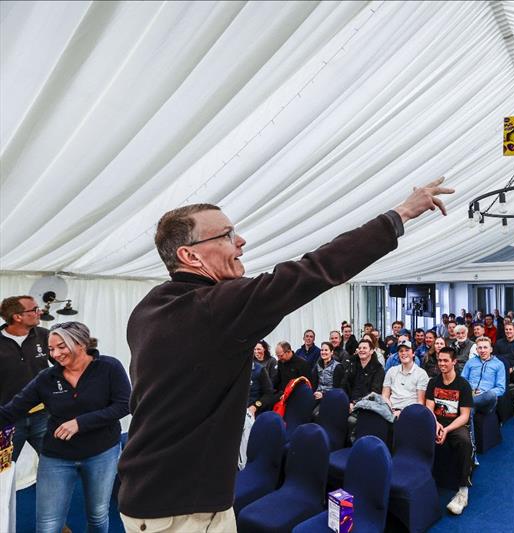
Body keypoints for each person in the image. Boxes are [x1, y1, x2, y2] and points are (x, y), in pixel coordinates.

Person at [117, 178, 453, 529]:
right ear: (190, 255)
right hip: (179, 506)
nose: (241, 241)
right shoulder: (214, 309)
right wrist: (399, 215)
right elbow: (314, 270)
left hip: (159, 490)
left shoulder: (149, 307)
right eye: (228, 235)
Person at [0, 322, 131, 533]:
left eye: (61, 346)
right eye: (51, 349)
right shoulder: (47, 378)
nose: (56, 354)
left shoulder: (109, 367)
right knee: (48, 525)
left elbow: (124, 405)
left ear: (80, 343)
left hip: (102, 453)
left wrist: (80, 423)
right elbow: (11, 410)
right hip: (57, 456)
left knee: (97, 516)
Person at [0, 295, 51, 462]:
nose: (40, 312)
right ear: (17, 317)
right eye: (34, 310)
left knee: (56, 462)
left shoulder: (45, 335)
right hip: (8, 421)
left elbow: (66, 366)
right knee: (3, 471)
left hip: (44, 415)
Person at [425, 347, 473, 516]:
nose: (442, 364)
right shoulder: (433, 382)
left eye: (446, 360)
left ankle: (462, 490)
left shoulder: (463, 385)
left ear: (454, 362)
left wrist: (445, 429)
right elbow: (429, 408)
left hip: (454, 425)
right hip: (436, 423)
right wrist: (437, 425)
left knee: (464, 442)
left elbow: (465, 416)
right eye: (440, 360)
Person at [382, 341, 429, 418]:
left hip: (411, 414)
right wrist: (390, 410)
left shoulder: (421, 374)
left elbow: (420, 402)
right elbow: (385, 395)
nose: (403, 353)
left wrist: (402, 412)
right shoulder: (391, 371)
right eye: (401, 351)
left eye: (407, 350)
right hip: (391, 411)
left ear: (413, 353)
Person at [342, 339, 385, 409]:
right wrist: (347, 402)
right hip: (348, 402)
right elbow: (344, 385)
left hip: (367, 406)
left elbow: (374, 392)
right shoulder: (352, 365)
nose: (361, 350)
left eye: (364, 348)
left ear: (371, 351)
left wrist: (356, 403)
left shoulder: (378, 369)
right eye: (359, 348)